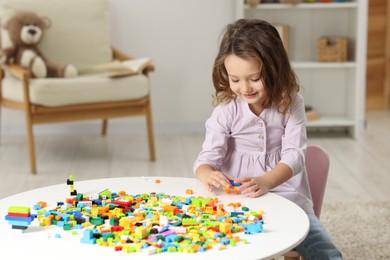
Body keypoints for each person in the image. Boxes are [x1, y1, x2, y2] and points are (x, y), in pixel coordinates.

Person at [193, 19, 343, 260]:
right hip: (236, 202)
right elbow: (206, 158)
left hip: (289, 199)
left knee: (327, 253)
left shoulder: (292, 103)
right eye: (235, 79)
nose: (245, 88)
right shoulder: (226, 110)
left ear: (274, 69)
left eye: (254, 78)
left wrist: (266, 181)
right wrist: (206, 173)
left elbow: (294, 155)